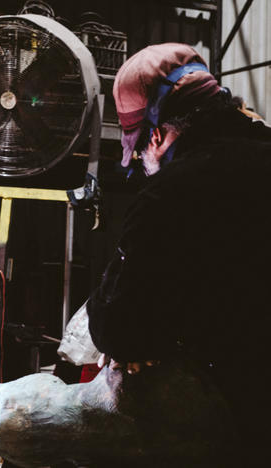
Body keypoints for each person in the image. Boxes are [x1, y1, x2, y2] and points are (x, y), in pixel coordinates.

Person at [86, 43, 271, 464]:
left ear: (156, 135)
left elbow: (121, 328)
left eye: (141, 154)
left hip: (241, 430)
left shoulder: (169, 195)